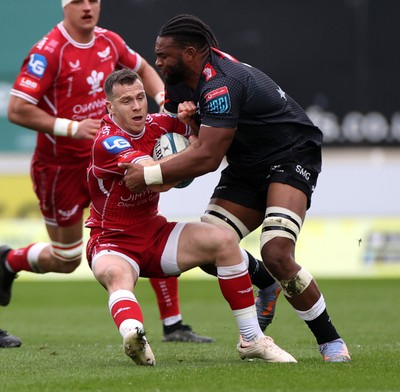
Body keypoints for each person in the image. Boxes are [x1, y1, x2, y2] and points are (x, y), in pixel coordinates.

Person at [120, 14, 351, 363]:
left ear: (189, 53)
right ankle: (267, 284)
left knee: (276, 252)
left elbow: (208, 157)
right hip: (246, 165)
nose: (157, 62)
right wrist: (189, 128)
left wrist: (151, 175)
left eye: (163, 55)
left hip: (289, 154)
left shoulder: (222, 84)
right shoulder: (180, 86)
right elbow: (193, 145)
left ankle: (330, 341)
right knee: (209, 245)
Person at [1, 0, 211, 344]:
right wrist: (70, 128)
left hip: (116, 158)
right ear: (65, 6)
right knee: (67, 258)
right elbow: (17, 109)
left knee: (149, 227)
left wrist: (163, 100)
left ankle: (174, 324)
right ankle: (9, 260)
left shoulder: (108, 41)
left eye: (94, 1)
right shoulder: (49, 51)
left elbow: (142, 66)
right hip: (62, 168)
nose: (88, 7)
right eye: (78, 1)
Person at [85, 68, 296, 365]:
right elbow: (158, 179)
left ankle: (252, 340)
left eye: (139, 97)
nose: (136, 106)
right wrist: (193, 152)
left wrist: (191, 119)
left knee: (224, 240)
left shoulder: (159, 123)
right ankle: (134, 335)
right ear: (110, 107)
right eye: (125, 101)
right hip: (111, 241)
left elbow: (209, 139)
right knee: (118, 276)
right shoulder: (107, 141)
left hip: (154, 233)